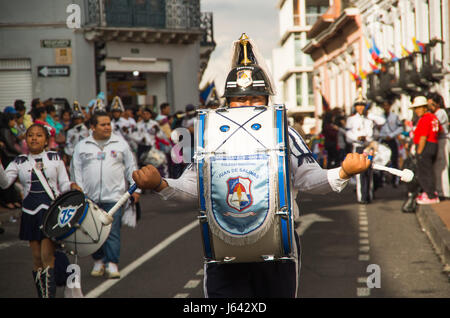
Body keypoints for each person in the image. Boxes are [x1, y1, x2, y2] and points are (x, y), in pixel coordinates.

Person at [131, 33, 371, 298]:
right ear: (228, 102)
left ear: (267, 100)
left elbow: (309, 180)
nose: (248, 105)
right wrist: (161, 184)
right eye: (241, 100)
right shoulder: (208, 135)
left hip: (278, 249)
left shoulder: (284, 133)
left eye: (256, 99)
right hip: (224, 246)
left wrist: (343, 172)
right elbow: (193, 187)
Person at [0, 123, 80, 297]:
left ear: (46, 140)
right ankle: (43, 294)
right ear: (26, 140)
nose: (34, 138)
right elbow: (5, 183)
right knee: (36, 259)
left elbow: (64, 183)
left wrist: (72, 185)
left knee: (47, 256)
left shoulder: (54, 158)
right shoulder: (19, 161)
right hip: (30, 213)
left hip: (50, 212)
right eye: (30, 135)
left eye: (39, 135)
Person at [70, 111, 140, 279]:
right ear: (92, 127)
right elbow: (76, 170)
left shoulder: (120, 143)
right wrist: (79, 190)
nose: (107, 127)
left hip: (114, 197)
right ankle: (98, 261)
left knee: (112, 231)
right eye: (103, 124)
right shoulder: (82, 145)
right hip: (89, 198)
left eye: (109, 124)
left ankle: (112, 264)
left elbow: (132, 167)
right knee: (92, 232)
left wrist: (135, 189)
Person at [345, 91, 377, 204]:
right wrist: (357, 138)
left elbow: (372, 134)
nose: (360, 108)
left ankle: (369, 195)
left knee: (369, 171)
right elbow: (348, 136)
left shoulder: (369, 120)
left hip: (368, 147)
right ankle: (362, 197)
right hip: (358, 147)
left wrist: (366, 138)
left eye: (362, 105)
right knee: (360, 172)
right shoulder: (351, 120)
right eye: (358, 105)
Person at [410, 95, 440, 204]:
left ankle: (430, 195)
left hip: (425, 146)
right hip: (433, 144)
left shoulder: (424, 119)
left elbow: (423, 136)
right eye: (415, 108)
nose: (417, 111)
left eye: (419, 108)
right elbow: (439, 131)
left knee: (424, 172)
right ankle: (431, 193)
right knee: (429, 170)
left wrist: (419, 152)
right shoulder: (434, 117)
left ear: (424, 108)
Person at [427, 92, 449, 200]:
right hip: (437, 141)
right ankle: (440, 190)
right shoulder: (436, 113)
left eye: (431, 104)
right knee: (437, 168)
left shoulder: (441, 113)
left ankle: (444, 192)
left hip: (442, 141)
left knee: (442, 167)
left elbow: (434, 125)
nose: (429, 107)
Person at [379, 99, 403, 187]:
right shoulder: (379, 117)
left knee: (394, 159)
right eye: (384, 105)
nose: (386, 107)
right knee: (381, 160)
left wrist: (392, 135)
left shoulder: (394, 117)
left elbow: (400, 128)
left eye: (387, 105)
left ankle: (395, 180)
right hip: (383, 140)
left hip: (392, 140)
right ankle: (381, 180)